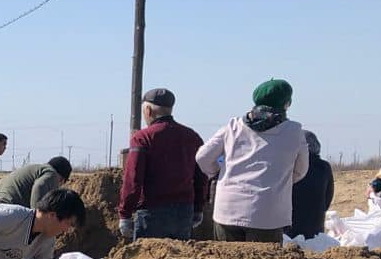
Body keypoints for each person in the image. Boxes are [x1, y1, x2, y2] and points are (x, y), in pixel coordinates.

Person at [196, 78, 309, 242]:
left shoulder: (233, 126)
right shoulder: (294, 131)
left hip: (228, 210)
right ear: (286, 104)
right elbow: (301, 170)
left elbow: (203, 157)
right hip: (267, 213)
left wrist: (218, 173)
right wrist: (280, 181)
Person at [118, 87, 208, 241]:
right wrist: (198, 208)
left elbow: (133, 179)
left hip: (152, 213)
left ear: (147, 110)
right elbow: (201, 175)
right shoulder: (192, 137)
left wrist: (125, 214)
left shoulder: (142, 138)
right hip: (184, 212)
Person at [290, 131, 335, 240]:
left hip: (291, 228)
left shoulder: (292, 167)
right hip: (316, 228)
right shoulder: (324, 167)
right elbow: (328, 198)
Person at [0, 155, 72, 209]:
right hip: (2, 210)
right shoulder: (51, 174)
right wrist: (37, 218)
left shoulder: (36, 170)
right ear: (61, 178)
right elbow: (39, 187)